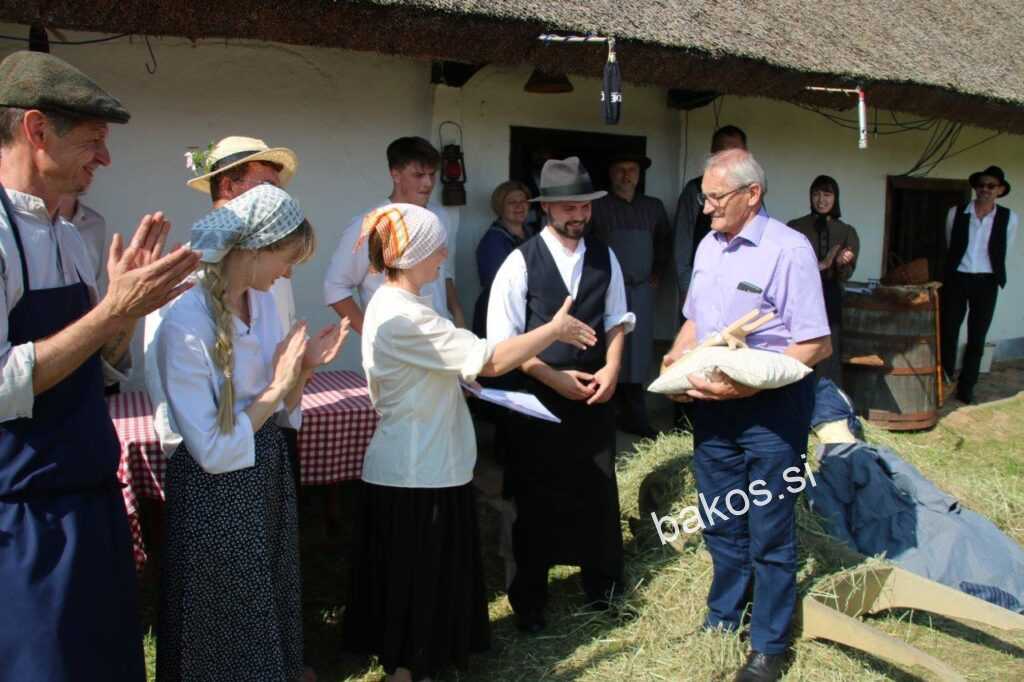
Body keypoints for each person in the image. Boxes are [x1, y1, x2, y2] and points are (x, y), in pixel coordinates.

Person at [0, 50, 200, 682]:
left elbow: (102, 370)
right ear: (36, 130)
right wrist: (111, 309)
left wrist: (124, 316)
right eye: (92, 141)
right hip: (21, 514)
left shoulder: (77, 232)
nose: (105, 158)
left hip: (91, 495)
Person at [343, 203, 597, 681]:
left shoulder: (397, 303)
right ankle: (408, 670)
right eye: (436, 247)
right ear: (413, 254)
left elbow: (431, 366)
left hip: (427, 465)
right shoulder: (403, 314)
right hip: (418, 471)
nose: (443, 255)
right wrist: (552, 330)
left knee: (422, 580)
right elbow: (490, 360)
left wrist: (454, 378)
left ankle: (423, 664)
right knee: (416, 582)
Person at [151, 184, 346, 682]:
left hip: (263, 474)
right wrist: (278, 384)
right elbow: (213, 451)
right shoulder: (184, 322)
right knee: (223, 617)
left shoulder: (260, 304)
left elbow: (276, 409)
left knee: (265, 598)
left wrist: (303, 370)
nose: (289, 272)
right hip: (216, 494)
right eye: (287, 258)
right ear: (254, 248)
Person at [662, 149, 831, 682]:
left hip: (772, 412)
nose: (706, 208)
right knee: (720, 517)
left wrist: (748, 385)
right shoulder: (709, 245)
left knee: (770, 527)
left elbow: (815, 343)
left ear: (751, 194)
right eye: (704, 197)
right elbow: (696, 321)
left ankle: (768, 644)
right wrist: (676, 357)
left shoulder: (789, 250)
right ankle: (724, 617)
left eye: (715, 197)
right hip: (715, 408)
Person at [488, 157, 635, 633]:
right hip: (535, 400)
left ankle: (602, 590)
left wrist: (612, 369)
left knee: (596, 492)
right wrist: (552, 378)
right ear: (547, 208)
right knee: (532, 498)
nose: (579, 214)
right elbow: (503, 345)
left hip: (593, 395)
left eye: (585, 205)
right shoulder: (519, 262)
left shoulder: (605, 256)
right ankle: (530, 602)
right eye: (569, 206)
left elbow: (617, 319)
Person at [324, 136, 465, 336]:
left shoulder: (439, 216)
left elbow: (444, 271)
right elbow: (335, 287)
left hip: (442, 336)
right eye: (418, 175)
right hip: (397, 342)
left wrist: (457, 313)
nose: (428, 183)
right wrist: (373, 337)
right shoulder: (371, 223)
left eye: (432, 174)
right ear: (395, 174)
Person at [590, 152, 671, 437]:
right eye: (620, 169)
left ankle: (636, 415)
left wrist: (657, 273)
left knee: (639, 353)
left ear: (639, 174)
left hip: (641, 291)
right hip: (607, 291)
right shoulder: (597, 206)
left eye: (632, 170)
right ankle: (605, 415)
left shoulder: (653, 207)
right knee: (609, 349)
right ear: (610, 174)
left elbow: (664, 242)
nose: (626, 175)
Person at [941, 165, 1018, 404]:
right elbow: (951, 243)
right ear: (975, 188)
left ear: (1000, 190)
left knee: (977, 336)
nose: (985, 189)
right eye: (981, 185)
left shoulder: (1009, 218)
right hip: (958, 278)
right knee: (948, 331)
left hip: (987, 281)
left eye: (991, 186)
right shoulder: (956, 213)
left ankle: (967, 387)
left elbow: (1004, 249)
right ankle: (943, 380)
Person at [787, 175, 859, 384]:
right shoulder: (795, 227)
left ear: (835, 198)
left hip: (829, 295)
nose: (821, 200)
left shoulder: (847, 232)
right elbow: (786, 264)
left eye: (827, 195)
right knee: (799, 345)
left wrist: (841, 263)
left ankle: (826, 395)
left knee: (828, 349)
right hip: (800, 296)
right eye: (816, 194)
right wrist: (819, 265)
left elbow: (847, 274)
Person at [673, 125, 748, 312]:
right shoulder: (695, 190)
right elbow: (682, 244)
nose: (728, 158)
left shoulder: (751, 192)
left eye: (734, 152)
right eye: (722, 152)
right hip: (702, 286)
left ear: (745, 155)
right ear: (712, 154)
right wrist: (687, 289)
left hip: (741, 288)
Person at [472, 179, 532, 337]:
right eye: (512, 202)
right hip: (499, 312)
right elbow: (499, 284)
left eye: (523, 201)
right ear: (500, 207)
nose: (519, 206)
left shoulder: (532, 234)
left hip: (526, 309)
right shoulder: (493, 241)